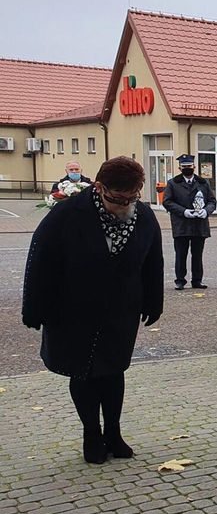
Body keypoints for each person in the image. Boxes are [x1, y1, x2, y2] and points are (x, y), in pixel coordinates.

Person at [22, 157, 163, 464]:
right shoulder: (68, 215)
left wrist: (154, 300)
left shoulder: (143, 216)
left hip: (120, 309)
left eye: (132, 197)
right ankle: (91, 434)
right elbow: (40, 261)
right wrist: (34, 308)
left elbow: (153, 261)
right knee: (83, 371)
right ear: (99, 188)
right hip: (72, 308)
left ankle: (113, 432)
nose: (124, 204)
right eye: (117, 198)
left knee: (113, 370)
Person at [163, 153, 216, 290]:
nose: (187, 168)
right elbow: (167, 202)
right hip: (181, 225)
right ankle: (180, 280)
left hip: (199, 225)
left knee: (197, 255)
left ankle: (197, 280)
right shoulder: (173, 183)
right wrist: (184, 211)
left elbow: (212, 201)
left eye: (190, 166)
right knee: (181, 254)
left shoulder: (203, 182)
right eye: (184, 166)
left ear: (194, 166)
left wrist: (206, 210)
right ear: (180, 168)